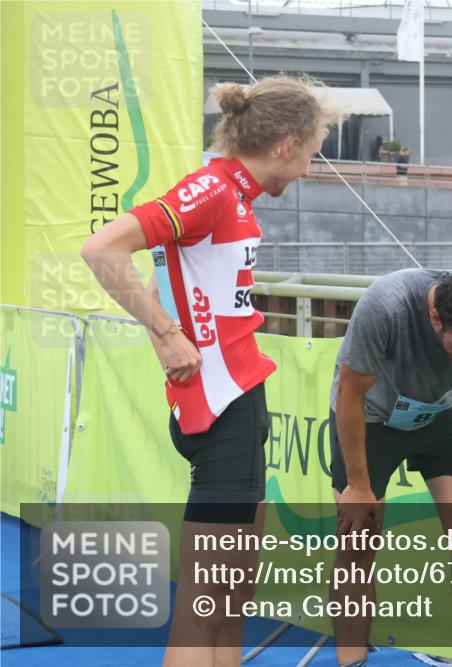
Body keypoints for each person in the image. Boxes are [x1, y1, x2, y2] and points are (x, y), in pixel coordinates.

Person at [81, 76, 332, 667]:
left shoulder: (231, 194)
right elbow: (101, 251)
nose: (307, 171)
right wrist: (168, 339)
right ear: (284, 145)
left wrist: (166, 336)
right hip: (224, 411)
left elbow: (159, 278)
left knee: (232, 595)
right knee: (206, 601)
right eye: (311, 154)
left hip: (234, 402)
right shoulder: (213, 189)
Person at [328, 268, 452, 667]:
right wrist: (358, 485)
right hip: (371, 416)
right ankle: (350, 662)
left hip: (443, 413)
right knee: (358, 537)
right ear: (436, 318)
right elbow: (349, 393)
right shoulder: (385, 305)